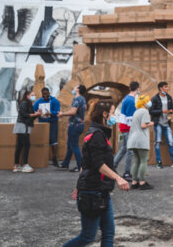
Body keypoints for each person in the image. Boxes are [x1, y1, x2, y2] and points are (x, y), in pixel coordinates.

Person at [63, 101, 130, 246]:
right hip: (92, 192)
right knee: (87, 236)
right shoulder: (96, 135)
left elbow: (85, 164)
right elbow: (98, 164)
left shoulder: (98, 133)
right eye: (112, 112)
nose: (114, 116)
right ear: (105, 114)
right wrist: (118, 178)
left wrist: (78, 185)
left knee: (108, 233)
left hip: (101, 190)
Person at [149, 81, 173, 169]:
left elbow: (172, 108)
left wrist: (171, 111)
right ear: (161, 88)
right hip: (158, 123)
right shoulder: (155, 98)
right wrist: (161, 111)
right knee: (158, 142)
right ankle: (159, 162)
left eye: (167, 87)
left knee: (171, 142)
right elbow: (151, 111)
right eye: (166, 87)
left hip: (167, 123)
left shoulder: (169, 97)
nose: (167, 88)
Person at [59, 85, 88, 172]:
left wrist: (62, 114)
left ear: (78, 89)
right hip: (80, 124)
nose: (73, 88)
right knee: (70, 144)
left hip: (74, 125)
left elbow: (73, 111)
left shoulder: (77, 99)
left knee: (74, 145)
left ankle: (80, 166)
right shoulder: (83, 99)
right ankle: (65, 163)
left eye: (75, 87)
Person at [127, 95, 153, 190]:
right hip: (141, 139)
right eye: (148, 100)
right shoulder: (145, 111)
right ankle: (142, 182)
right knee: (143, 160)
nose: (149, 102)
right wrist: (151, 123)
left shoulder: (136, 112)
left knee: (136, 161)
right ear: (145, 102)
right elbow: (143, 125)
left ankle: (134, 182)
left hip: (133, 139)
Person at [114, 81, 139, 181]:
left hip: (124, 127)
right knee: (130, 151)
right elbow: (130, 118)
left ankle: (113, 166)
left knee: (124, 148)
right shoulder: (131, 101)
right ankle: (127, 173)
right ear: (137, 89)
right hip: (128, 129)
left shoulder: (127, 99)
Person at [13, 90, 40, 173]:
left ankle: (16, 165)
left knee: (20, 146)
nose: (34, 97)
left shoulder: (29, 104)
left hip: (24, 127)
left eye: (34, 95)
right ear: (27, 95)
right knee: (26, 145)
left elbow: (30, 117)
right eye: (32, 95)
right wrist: (35, 114)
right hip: (22, 127)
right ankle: (25, 165)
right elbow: (23, 114)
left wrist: (37, 114)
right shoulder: (24, 103)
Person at [33, 87, 61, 167]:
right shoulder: (38, 101)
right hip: (42, 123)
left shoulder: (54, 101)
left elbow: (58, 112)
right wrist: (37, 113)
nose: (45, 95)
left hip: (52, 122)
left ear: (49, 93)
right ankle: (41, 158)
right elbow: (33, 110)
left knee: (54, 140)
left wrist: (50, 113)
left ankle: (55, 157)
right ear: (41, 94)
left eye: (46, 93)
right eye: (43, 94)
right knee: (42, 140)